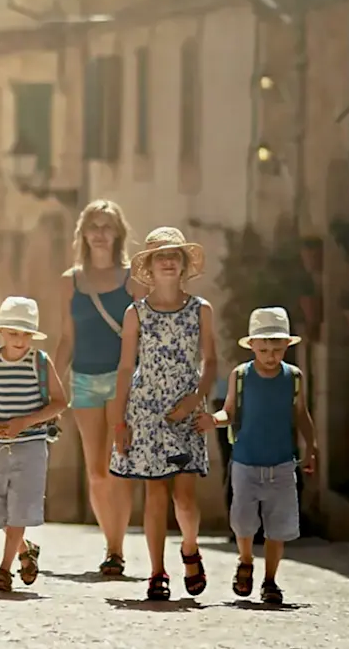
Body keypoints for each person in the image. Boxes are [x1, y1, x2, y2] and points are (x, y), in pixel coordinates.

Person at [108, 227, 216, 602]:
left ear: (184, 265)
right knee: (154, 493)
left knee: (184, 497)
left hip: (185, 409)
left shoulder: (201, 310)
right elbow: (125, 368)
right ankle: (156, 572)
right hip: (146, 411)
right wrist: (119, 421)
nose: (168, 261)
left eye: (174, 255)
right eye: (160, 256)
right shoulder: (135, 313)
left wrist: (197, 399)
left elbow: (211, 361)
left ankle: (189, 547)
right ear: (149, 267)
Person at [196, 307, 317, 605]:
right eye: (263, 349)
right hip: (246, 462)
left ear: (287, 346)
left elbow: (301, 415)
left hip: (283, 463)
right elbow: (230, 411)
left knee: (278, 526)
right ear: (252, 346)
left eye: (277, 349)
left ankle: (271, 581)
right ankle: (246, 560)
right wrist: (215, 420)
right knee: (243, 521)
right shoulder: (241, 376)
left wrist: (311, 447)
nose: (270, 355)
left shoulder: (295, 378)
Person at [55, 199, 146, 576]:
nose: (100, 233)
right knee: (95, 470)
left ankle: (115, 549)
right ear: (83, 233)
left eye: (107, 226)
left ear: (118, 233)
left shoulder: (132, 280)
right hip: (85, 381)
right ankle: (109, 541)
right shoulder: (70, 281)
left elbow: (145, 334)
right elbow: (66, 337)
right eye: (93, 225)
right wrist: (52, 382)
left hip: (122, 381)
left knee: (118, 466)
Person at [0, 296, 69, 593]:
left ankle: (3, 569)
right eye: (13, 333)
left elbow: (60, 402)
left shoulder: (40, 363)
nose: (19, 339)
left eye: (25, 333)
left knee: (19, 508)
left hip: (31, 447)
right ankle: (25, 550)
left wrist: (24, 423)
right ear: (1, 332)